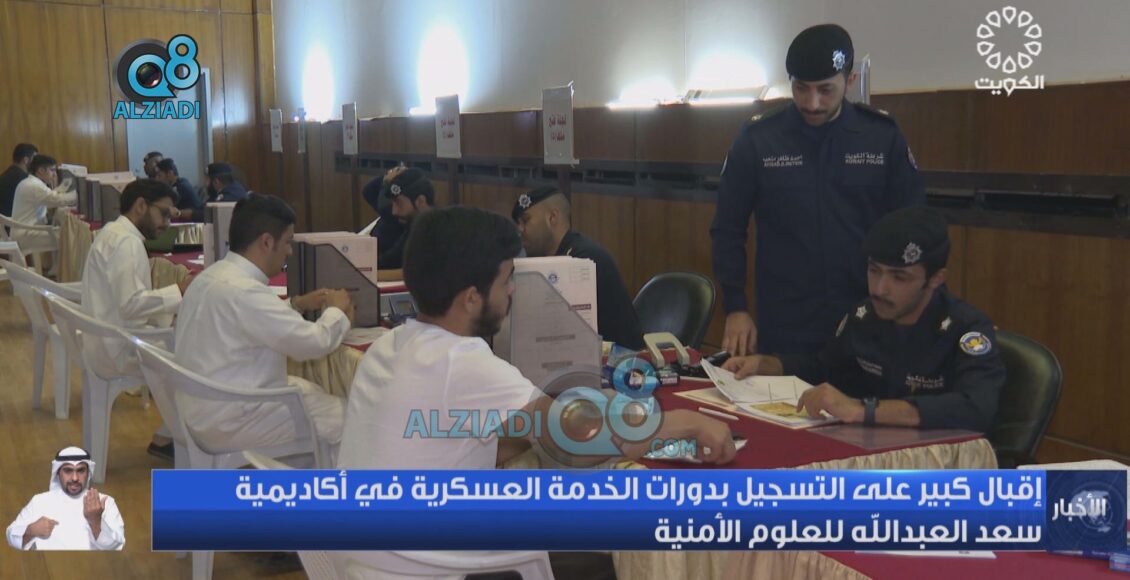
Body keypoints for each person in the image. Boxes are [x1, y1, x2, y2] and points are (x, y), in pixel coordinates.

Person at [339, 206, 734, 578]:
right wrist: (687, 423)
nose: (512, 290)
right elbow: (581, 437)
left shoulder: (389, 347)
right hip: (436, 566)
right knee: (607, 549)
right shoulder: (461, 361)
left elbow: (455, 441)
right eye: (506, 280)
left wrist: (534, 432)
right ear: (472, 297)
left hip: (367, 560)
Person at [711, 23, 924, 358]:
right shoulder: (759, 139)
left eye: (825, 90)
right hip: (786, 319)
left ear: (849, 81)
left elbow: (915, 228)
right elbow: (727, 228)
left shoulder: (881, 136)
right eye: (801, 88)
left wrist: (926, 308)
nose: (812, 103)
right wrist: (736, 307)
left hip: (868, 315)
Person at [722, 206, 1005, 432]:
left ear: (935, 279)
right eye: (874, 270)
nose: (879, 289)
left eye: (899, 277)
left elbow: (977, 408)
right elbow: (825, 368)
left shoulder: (966, 329)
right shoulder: (865, 315)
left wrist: (862, 410)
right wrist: (767, 365)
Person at [174, 194, 355, 459]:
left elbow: (250, 322)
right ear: (267, 242)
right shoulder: (246, 292)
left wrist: (296, 304)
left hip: (201, 407)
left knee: (311, 391)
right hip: (233, 418)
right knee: (351, 417)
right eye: (288, 242)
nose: (289, 252)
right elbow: (314, 343)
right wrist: (338, 311)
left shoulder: (210, 276)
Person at [81, 179, 192, 460]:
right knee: (199, 357)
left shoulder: (112, 232)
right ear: (141, 205)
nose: (167, 223)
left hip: (103, 341)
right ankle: (183, 439)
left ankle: (170, 434)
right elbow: (130, 305)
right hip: (119, 348)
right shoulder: (127, 243)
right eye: (164, 213)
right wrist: (179, 292)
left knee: (183, 338)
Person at [512, 186, 644, 349]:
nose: (520, 229)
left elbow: (560, 331)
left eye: (525, 220)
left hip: (619, 360)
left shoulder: (583, 259)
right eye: (518, 223)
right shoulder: (556, 257)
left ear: (552, 218)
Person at [6, 447, 125, 551]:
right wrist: (30, 531)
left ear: (88, 473)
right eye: (68, 470)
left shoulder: (106, 502)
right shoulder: (39, 501)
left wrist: (96, 521)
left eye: (80, 470)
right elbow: (11, 535)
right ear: (58, 473)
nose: (75, 478)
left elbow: (117, 546)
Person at [376, 167, 433, 280]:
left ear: (420, 201)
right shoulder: (413, 228)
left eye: (399, 203)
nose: (394, 211)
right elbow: (389, 260)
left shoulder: (438, 231)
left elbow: (416, 273)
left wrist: (365, 275)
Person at [10, 154, 75, 255]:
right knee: (69, 237)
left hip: (23, 231)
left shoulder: (29, 182)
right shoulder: (34, 186)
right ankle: (64, 266)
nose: (54, 175)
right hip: (27, 234)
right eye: (52, 170)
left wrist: (60, 189)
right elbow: (57, 200)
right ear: (41, 170)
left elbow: (49, 198)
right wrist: (81, 193)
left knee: (64, 233)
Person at [360, 171, 406, 260]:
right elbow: (368, 190)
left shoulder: (391, 213)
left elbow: (369, 191)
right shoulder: (390, 212)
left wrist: (387, 181)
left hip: (381, 252)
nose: (395, 210)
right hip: (374, 246)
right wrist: (388, 177)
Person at [0, 143, 37, 217]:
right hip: (17, 221)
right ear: (26, 160)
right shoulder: (26, 180)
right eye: (35, 159)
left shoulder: (5, 175)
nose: (37, 163)